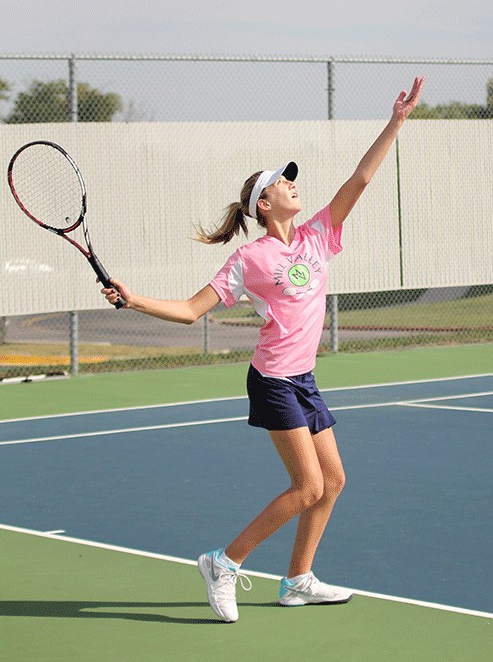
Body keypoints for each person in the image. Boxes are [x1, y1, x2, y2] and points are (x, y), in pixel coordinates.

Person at [102, 77, 424, 622]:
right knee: (307, 486)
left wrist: (396, 120)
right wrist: (133, 300)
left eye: (293, 181)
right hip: (273, 380)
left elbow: (361, 178)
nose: (294, 187)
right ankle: (223, 562)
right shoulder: (248, 260)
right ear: (263, 202)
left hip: (304, 378)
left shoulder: (318, 235)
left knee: (334, 482)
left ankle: (297, 579)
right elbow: (189, 310)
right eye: (283, 183)